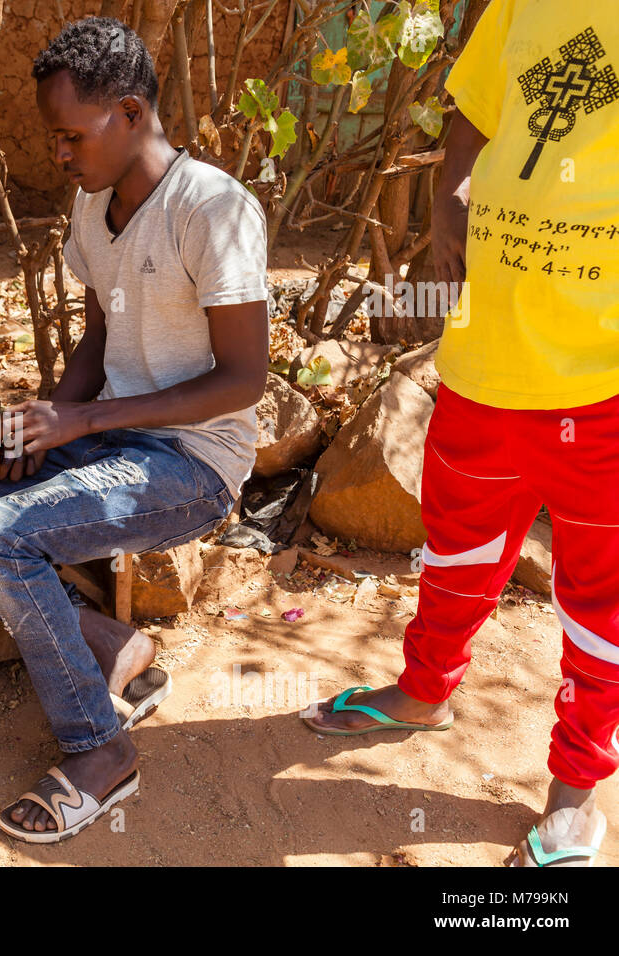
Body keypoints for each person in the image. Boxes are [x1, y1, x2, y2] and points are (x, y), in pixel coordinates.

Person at [0, 17, 270, 842]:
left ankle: (100, 752)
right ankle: (112, 648)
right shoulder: (93, 207)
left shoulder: (212, 208)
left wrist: (90, 417)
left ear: (133, 113)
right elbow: (104, 332)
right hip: (109, 442)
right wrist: (50, 425)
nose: (62, 156)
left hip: (190, 461)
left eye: (72, 136)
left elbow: (242, 378)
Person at [303, 0, 619, 866]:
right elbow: (476, 103)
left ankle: (573, 799)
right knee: (458, 547)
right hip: (488, 355)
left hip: (603, 387)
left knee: (601, 606)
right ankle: (423, 691)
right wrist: (448, 196)